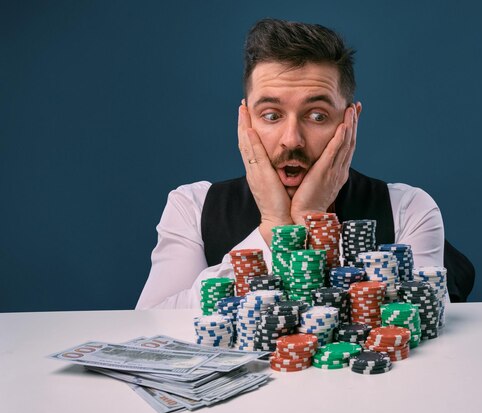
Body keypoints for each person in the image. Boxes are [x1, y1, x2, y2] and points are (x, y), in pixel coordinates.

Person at [136, 19, 445, 309]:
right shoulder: (191, 207)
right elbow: (154, 327)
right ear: (246, 122)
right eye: (271, 115)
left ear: (351, 122)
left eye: (317, 116)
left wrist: (311, 215)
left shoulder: (409, 209)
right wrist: (276, 227)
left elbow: (423, 326)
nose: (292, 139)